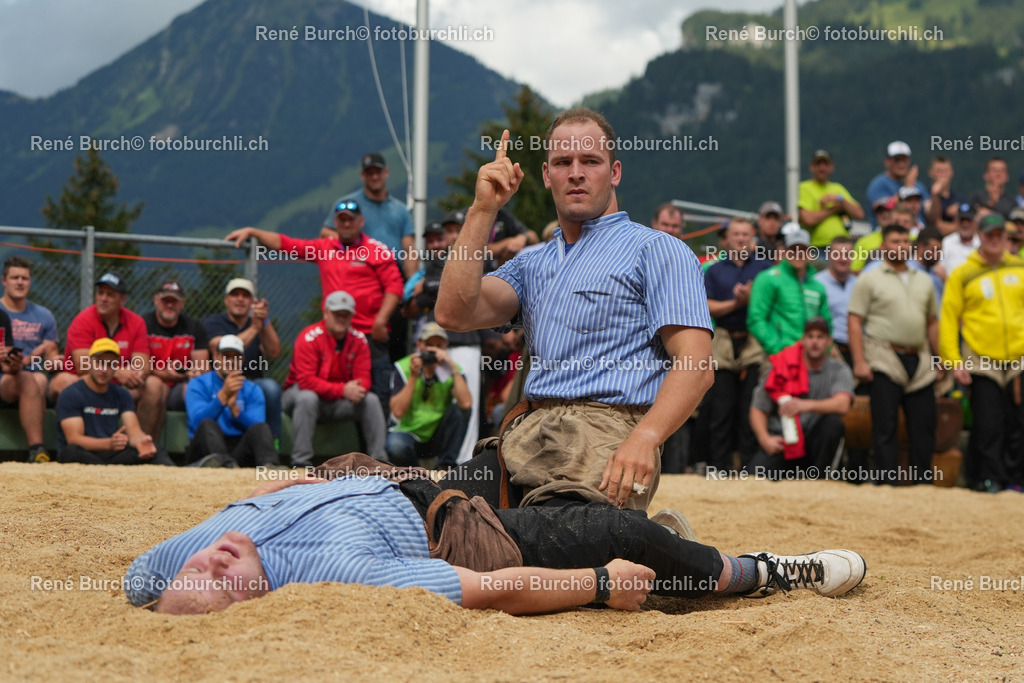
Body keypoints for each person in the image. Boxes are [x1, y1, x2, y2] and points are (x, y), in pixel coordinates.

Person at [125, 454, 867, 614]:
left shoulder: (158, 567)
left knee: (518, 459)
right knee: (613, 529)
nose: (213, 559)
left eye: (200, 567)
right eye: (221, 583)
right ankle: (758, 569)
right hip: (450, 524)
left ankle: (664, 548)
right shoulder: (332, 575)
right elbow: (491, 587)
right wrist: (602, 583)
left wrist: (293, 482)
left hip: (377, 474)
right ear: (257, 599)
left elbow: (154, 584)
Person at [434, 108, 715, 510]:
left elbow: (696, 364)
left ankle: (654, 544)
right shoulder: (532, 264)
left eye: (591, 162)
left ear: (614, 172)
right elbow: (454, 313)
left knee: (544, 536)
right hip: (529, 434)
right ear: (547, 176)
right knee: (433, 512)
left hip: (608, 434)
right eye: (563, 163)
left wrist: (646, 437)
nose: (576, 173)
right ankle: (638, 539)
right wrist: (483, 210)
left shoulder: (657, 249)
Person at [227, 203, 403, 408]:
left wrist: (381, 320)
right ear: (335, 222)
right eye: (341, 219)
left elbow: (395, 286)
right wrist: (253, 231)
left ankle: (378, 440)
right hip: (336, 335)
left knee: (376, 394)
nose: (346, 224)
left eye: (351, 219)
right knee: (337, 394)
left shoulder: (376, 249)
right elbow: (287, 244)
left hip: (369, 333)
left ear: (361, 222)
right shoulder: (324, 248)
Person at [848, 224, 941, 485]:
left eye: (905, 240)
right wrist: (859, 361)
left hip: (920, 357)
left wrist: (940, 357)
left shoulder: (924, 279)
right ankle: (886, 481)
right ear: (883, 246)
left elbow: (932, 322)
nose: (901, 245)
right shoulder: (869, 277)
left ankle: (923, 482)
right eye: (894, 241)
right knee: (885, 424)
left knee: (923, 424)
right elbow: (855, 320)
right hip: (883, 355)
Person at [939, 214, 1024, 492]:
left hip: (1018, 357)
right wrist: (953, 361)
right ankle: (990, 478)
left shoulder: (1020, 267)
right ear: (980, 235)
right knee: (988, 422)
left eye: (1000, 234)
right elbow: (949, 320)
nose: (995, 239)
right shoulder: (963, 273)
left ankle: (1015, 478)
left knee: (1017, 420)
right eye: (990, 234)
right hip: (981, 357)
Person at [49, 273, 164, 439]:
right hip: (84, 382)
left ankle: (141, 447)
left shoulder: (136, 322)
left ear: (122, 300)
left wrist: (136, 374)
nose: (103, 298)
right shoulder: (83, 320)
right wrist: (118, 372)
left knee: (154, 384)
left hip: (116, 389)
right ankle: (77, 444)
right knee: (67, 381)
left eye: (110, 295)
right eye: (101, 293)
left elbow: (143, 365)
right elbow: (82, 365)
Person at [281, 291, 388, 466]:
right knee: (307, 397)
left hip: (337, 402)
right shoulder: (309, 337)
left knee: (371, 400)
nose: (341, 318)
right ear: (326, 313)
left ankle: (379, 460)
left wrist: (354, 391)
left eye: (346, 315)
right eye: (337, 314)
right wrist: (343, 390)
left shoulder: (359, 339)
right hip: (297, 397)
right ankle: (301, 461)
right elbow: (306, 381)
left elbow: (364, 380)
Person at [703, 217, 772, 470]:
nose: (741, 239)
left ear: (752, 238)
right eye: (736, 235)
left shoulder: (765, 270)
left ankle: (750, 469)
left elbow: (769, 305)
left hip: (753, 339)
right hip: (723, 339)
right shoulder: (714, 270)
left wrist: (751, 298)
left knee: (750, 407)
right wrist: (737, 303)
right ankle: (718, 468)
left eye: (745, 234)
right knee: (722, 408)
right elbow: (707, 306)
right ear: (727, 239)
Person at [747, 318, 854, 479]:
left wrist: (804, 405)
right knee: (753, 478)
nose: (815, 342)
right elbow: (757, 408)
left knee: (833, 424)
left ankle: (822, 480)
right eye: (810, 336)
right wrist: (765, 439)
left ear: (829, 341)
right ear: (803, 340)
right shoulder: (781, 366)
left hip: (815, 443)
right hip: (784, 442)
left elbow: (843, 404)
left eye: (820, 337)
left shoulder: (839, 369)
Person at [55, 337, 173, 466]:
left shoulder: (121, 394)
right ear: (89, 363)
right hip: (84, 453)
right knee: (70, 451)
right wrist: (109, 443)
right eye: (99, 363)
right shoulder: (71, 393)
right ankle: (104, 472)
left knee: (156, 450)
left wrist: (142, 441)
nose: (104, 369)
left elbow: (134, 432)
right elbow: (74, 439)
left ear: (116, 367)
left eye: (110, 364)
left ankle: (178, 478)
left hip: (110, 454)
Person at [202, 278, 282, 446]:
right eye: (235, 295)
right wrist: (255, 328)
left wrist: (264, 321)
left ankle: (273, 443)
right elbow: (221, 348)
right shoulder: (212, 323)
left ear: (252, 302)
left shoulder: (259, 323)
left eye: (245, 296)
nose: (239, 299)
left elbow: (274, 352)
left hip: (251, 383)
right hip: (219, 381)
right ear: (226, 300)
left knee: (271, 388)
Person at [185, 335, 281, 468]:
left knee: (262, 427)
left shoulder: (253, 389)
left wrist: (236, 412)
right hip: (206, 451)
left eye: (236, 357)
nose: (230, 361)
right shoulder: (198, 384)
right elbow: (196, 423)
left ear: (242, 360)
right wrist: (222, 397)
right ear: (216, 357)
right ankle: (225, 465)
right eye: (226, 356)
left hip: (238, 449)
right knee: (207, 425)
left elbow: (258, 428)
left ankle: (270, 468)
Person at [387, 323, 472, 468]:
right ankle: (417, 476)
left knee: (459, 410)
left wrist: (451, 367)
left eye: (438, 345)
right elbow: (397, 412)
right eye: (429, 344)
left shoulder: (452, 369)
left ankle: (445, 468)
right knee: (395, 445)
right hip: (409, 432)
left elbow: (466, 405)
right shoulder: (404, 367)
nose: (433, 350)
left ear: (446, 346)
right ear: (419, 345)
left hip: (436, 435)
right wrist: (414, 376)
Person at [323, 152, 417, 278]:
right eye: (369, 173)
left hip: (394, 274)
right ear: (362, 175)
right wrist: (356, 248)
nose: (374, 177)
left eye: (378, 172)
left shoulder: (401, 210)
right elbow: (325, 233)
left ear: (386, 172)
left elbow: (409, 250)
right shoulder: (347, 205)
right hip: (359, 272)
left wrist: (412, 286)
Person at [0, 256, 55, 463]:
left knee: (36, 379)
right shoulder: (3, 313)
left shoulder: (43, 315)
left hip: (21, 375)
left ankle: (38, 450)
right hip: (16, 375)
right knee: (33, 379)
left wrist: (52, 359)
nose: (20, 282)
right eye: (15, 278)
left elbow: (50, 355)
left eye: (25, 278)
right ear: (4, 281)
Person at [747, 225, 832, 357]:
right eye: (793, 249)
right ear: (785, 252)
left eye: (802, 250)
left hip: (812, 355)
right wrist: (777, 349)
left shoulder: (817, 286)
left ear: (810, 253)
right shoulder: (768, 278)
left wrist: (825, 348)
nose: (798, 254)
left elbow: (826, 322)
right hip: (778, 353)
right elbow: (756, 319)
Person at [143, 280, 210, 425]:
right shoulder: (143, 325)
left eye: (174, 301)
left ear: (182, 303)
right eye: (165, 300)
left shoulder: (194, 327)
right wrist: (161, 373)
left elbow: (202, 366)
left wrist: (192, 373)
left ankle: (199, 441)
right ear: (156, 301)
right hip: (150, 382)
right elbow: (139, 364)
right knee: (155, 386)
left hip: (181, 384)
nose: (169, 305)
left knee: (195, 387)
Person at [797, 149, 864, 248]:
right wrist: (834, 209)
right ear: (811, 167)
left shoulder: (837, 188)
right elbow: (808, 219)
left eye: (826, 164)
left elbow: (859, 214)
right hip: (818, 248)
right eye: (818, 164)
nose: (822, 168)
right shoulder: (804, 187)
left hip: (843, 247)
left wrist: (841, 200)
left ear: (832, 167)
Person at [865, 141, 929, 228]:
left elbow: (929, 213)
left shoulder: (919, 186)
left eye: (904, 160)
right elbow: (884, 211)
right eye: (897, 160)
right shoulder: (878, 185)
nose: (901, 164)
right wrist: (907, 187)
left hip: (918, 234)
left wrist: (936, 195)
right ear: (887, 161)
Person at [814, 236, 857, 364]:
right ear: (828, 255)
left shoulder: (859, 284)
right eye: (838, 254)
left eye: (847, 254)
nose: (843, 259)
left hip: (858, 347)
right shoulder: (817, 283)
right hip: (830, 349)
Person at [924, 156, 963, 236]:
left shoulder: (960, 200)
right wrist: (935, 194)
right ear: (930, 172)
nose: (942, 174)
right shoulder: (925, 195)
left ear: (951, 172)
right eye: (939, 171)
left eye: (945, 171)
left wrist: (957, 213)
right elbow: (934, 225)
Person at [939, 203, 980, 278]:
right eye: (962, 220)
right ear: (956, 221)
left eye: (968, 220)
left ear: (975, 222)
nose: (965, 224)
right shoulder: (947, 242)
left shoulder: (981, 243)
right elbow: (939, 268)